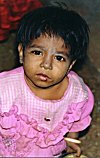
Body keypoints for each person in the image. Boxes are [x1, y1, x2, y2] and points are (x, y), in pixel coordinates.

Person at [0, 5, 94, 157]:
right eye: (37, 52)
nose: (46, 64)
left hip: (48, 151)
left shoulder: (77, 93)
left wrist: (71, 139)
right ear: (22, 52)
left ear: (71, 64)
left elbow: (79, 115)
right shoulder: (5, 88)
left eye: (59, 58)